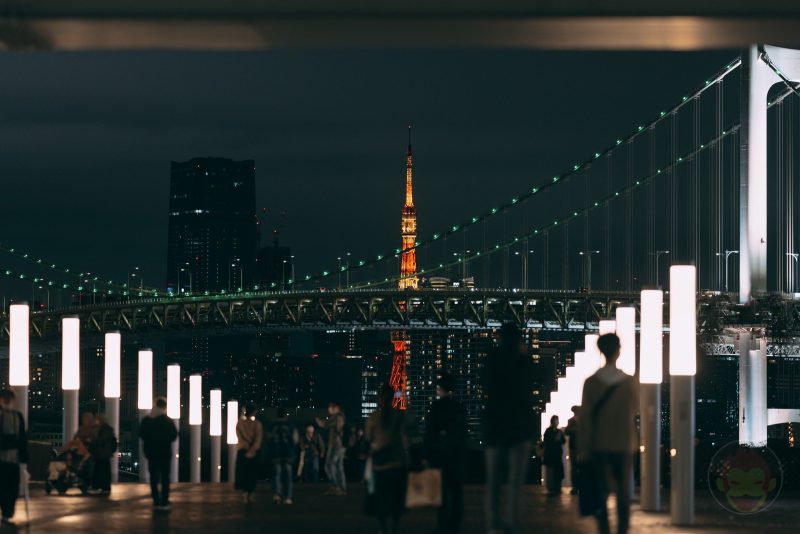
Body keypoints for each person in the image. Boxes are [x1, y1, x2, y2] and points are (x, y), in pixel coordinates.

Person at [579, 333, 639, 534]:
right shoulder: (629, 382)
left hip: (599, 443)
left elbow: (586, 418)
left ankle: (603, 529)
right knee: (623, 493)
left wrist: (583, 448)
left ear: (601, 351)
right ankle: (622, 530)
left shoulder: (591, 382)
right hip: (624, 443)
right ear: (618, 351)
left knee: (601, 491)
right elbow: (634, 410)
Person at [483, 322, 536, 534]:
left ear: (500, 337)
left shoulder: (492, 357)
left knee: (493, 480)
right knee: (515, 482)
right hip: (519, 427)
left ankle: (492, 523)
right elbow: (533, 383)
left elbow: (485, 384)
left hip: (495, 426)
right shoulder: (523, 360)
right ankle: (512, 523)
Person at [425, 372, 467, 534]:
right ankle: (455, 524)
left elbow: (430, 433)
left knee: (441, 491)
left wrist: (427, 454)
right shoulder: (459, 406)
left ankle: (442, 524)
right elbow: (463, 432)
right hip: (456, 454)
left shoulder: (436, 407)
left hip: (440, 455)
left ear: (441, 389)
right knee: (456, 491)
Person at [365, 385, 408, 534]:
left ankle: (382, 528)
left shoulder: (373, 417)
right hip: (397, 462)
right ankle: (395, 528)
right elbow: (405, 437)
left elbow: (368, 438)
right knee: (396, 499)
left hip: (380, 464)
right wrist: (401, 394)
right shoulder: (399, 415)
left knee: (380, 499)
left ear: (380, 398)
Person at [140, 397, 178, 511]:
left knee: (153, 477)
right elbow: (174, 435)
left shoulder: (147, 419)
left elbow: (141, 434)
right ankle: (165, 501)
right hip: (165, 452)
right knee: (165, 477)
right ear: (165, 407)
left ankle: (156, 500)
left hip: (151, 452)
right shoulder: (167, 420)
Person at [0, 389, 28, 527]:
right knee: (3, 487)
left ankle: (8, 513)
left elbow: (23, 437)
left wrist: (24, 459)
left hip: (14, 458)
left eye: (9, 399)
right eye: (4, 399)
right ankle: (5, 513)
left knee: (12, 487)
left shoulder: (18, 416)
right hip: (2, 458)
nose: (7, 401)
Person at [316, 401, 347, 495]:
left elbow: (325, 424)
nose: (329, 409)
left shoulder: (337, 417)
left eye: (330, 407)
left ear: (336, 408)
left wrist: (318, 419)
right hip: (339, 445)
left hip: (334, 445)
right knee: (338, 468)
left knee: (329, 466)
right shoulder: (341, 417)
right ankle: (341, 488)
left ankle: (335, 486)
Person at [269, 407, 299, 505]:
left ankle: (277, 495)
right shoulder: (290, 425)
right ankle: (287, 497)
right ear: (285, 415)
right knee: (288, 476)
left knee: (276, 475)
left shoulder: (272, 425)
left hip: (276, 453)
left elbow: (268, 439)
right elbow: (295, 440)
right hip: (288, 453)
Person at [236, 403, 263, 503]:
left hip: (242, 451)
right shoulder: (257, 424)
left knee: (244, 473)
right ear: (254, 411)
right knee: (252, 473)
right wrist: (253, 448)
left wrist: (246, 448)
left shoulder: (239, 423)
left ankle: (245, 493)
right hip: (254, 451)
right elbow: (258, 439)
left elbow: (239, 437)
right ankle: (251, 493)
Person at [89, 413, 117, 495]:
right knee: (102, 470)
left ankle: (101, 486)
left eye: (96, 419)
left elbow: (101, 440)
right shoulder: (103, 428)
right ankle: (102, 487)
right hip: (101, 453)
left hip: (103, 453)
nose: (95, 421)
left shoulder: (105, 429)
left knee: (101, 470)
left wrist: (93, 441)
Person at [542, 415, 566, 496]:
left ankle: (557, 487)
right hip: (551, 454)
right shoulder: (549, 431)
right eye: (556, 420)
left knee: (557, 471)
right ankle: (552, 487)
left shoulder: (558, 431)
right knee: (551, 471)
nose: (557, 422)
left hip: (557, 454)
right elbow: (546, 441)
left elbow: (563, 441)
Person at [565, 406, 581, 495]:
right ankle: (576, 486)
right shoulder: (572, 420)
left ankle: (577, 486)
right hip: (575, 447)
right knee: (575, 467)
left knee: (576, 467)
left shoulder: (579, 420)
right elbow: (567, 431)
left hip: (578, 447)